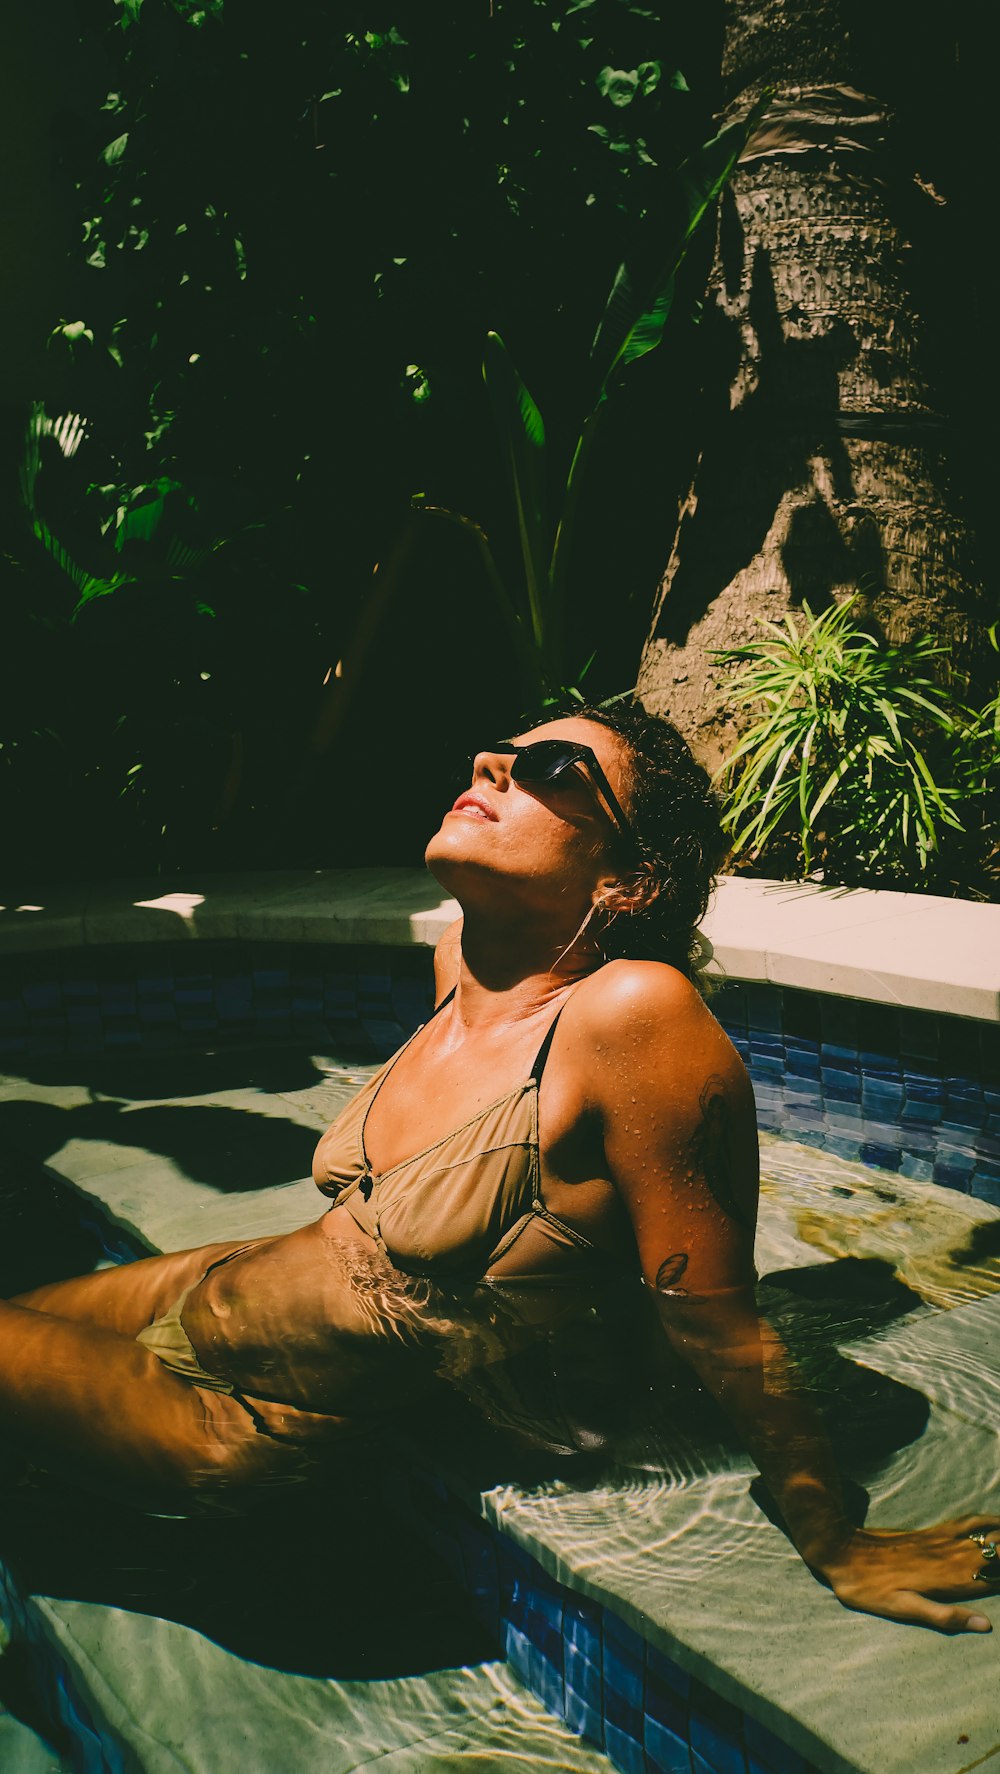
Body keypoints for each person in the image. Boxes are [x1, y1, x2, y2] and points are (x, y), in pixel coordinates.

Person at [1, 703, 997, 1635]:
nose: (491, 765)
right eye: (499, 754)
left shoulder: (631, 1015)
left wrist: (835, 1537)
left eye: (553, 770)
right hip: (212, 1284)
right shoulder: (459, 974)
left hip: (235, 1416)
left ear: (627, 879)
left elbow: (721, 1323)